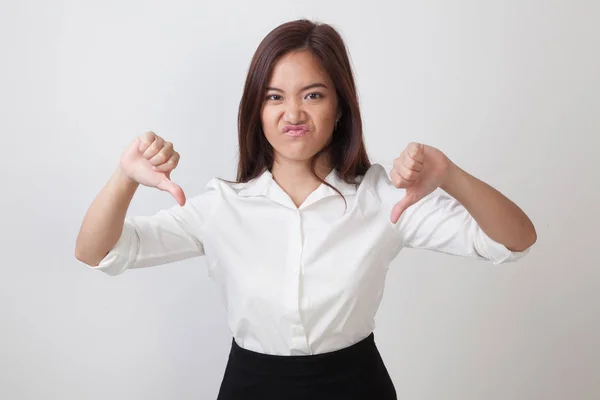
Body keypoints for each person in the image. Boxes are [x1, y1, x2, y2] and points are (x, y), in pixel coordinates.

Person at [75, 19, 537, 400]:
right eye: (275, 97)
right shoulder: (222, 206)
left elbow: (513, 240)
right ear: (256, 111)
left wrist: (450, 174)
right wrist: (125, 176)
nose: (292, 112)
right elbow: (98, 253)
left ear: (339, 108)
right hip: (250, 389)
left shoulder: (384, 198)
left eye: (313, 94)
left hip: (356, 387)